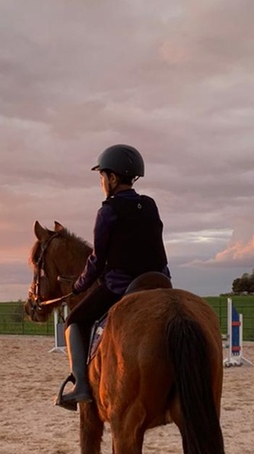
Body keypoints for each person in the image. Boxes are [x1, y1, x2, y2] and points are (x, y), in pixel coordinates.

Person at [55, 144, 171, 411]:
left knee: (74, 320)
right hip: (159, 281)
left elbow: (97, 260)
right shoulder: (151, 205)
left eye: (102, 177)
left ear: (113, 178)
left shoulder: (108, 211)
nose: (102, 182)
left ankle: (81, 387)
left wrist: (78, 286)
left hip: (122, 286)